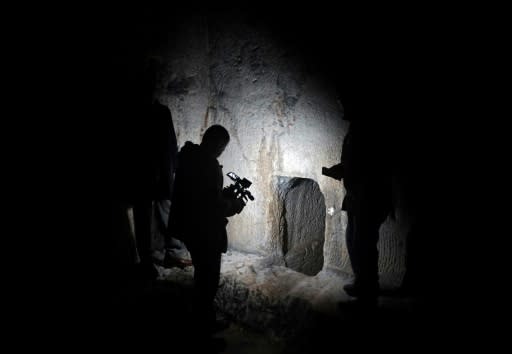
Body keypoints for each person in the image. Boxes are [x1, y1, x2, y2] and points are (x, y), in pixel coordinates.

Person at [168, 124, 246, 335]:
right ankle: (202, 331)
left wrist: (222, 196)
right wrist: (234, 205)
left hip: (190, 228)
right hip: (204, 232)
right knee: (207, 282)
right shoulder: (208, 165)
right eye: (222, 147)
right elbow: (212, 206)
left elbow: (202, 195)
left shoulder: (190, 157)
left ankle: (202, 322)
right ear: (218, 143)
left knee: (202, 278)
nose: (222, 151)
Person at [322, 99, 393, 302]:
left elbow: (372, 166)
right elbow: (356, 162)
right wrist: (342, 169)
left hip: (369, 198)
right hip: (357, 197)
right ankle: (363, 284)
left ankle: (367, 298)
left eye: (345, 100)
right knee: (354, 241)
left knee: (364, 246)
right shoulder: (357, 128)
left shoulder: (369, 128)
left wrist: (343, 170)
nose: (341, 104)